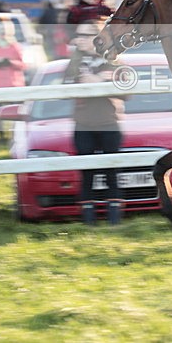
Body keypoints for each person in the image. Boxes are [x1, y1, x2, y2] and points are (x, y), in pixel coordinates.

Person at [64, 19, 124, 225]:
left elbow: (128, 90)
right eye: (78, 35)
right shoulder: (73, 62)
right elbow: (66, 87)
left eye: (84, 36)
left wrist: (99, 80)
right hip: (83, 125)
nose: (78, 40)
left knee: (111, 172)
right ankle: (89, 220)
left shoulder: (113, 59)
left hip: (109, 123)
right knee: (86, 172)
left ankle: (114, 220)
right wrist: (86, 81)